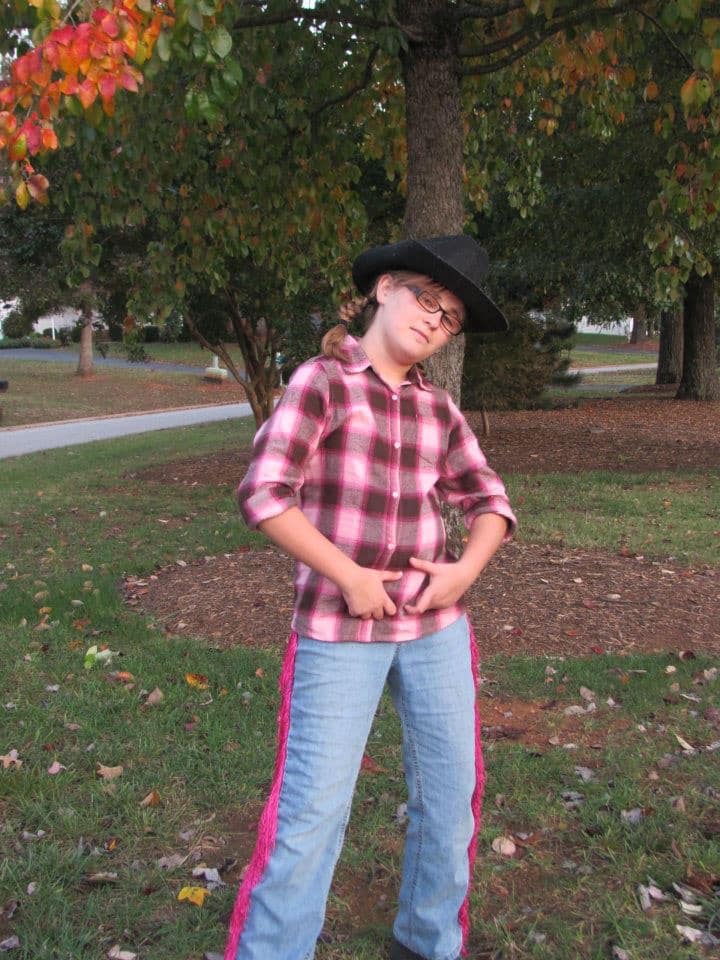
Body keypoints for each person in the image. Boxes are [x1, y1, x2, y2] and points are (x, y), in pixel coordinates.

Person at [226, 235, 517, 960]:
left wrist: (463, 572)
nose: (434, 320)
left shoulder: (437, 409)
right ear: (384, 287)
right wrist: (348, 576)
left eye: (449, 317)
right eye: (426, 297)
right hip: (337, 630)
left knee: (450, 801)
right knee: (312, 814)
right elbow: (264, 494)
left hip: (436, 628)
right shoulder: (321, 383)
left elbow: (490, 500)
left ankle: (426, 943)